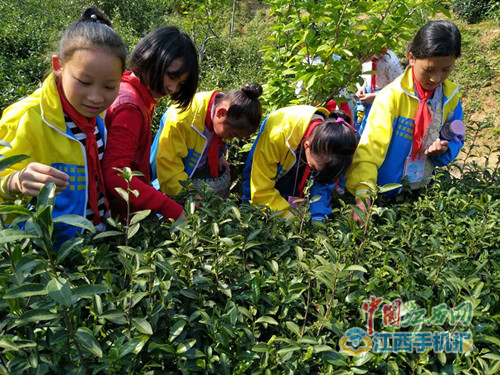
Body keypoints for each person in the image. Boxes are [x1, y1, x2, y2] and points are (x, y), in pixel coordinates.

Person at [0, 7, 126, 240]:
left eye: (109, 87)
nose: (96, 97)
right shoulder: (26, 117)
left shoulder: (94, 119)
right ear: (59, 66)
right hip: (45, 256)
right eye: (84, 82)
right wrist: (13, 182)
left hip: (93, 244)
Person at [346, 21, 464, 224]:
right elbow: (368, 150)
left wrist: (444, 151)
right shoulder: (392, 97)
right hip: (382, 194)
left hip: (421, 190)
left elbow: (458, 133)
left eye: (446, 70)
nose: (436, 78)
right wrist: (364, 197)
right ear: (411, 58)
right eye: (428, 70)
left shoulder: (451, 98)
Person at [102, 26, 199, 223]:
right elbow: (116, 176)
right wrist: (169, 208)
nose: (172, 88)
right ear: (151, 59)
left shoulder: (137, 94)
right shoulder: (130, 106)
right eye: (171, 76)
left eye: (180, 84)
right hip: (117, 222)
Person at [242, 106, 357, 222]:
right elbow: (261, 188)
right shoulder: (276, 135)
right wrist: (289, 218)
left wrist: (318, 219)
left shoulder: (332, 148)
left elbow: (323, 184)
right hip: (278, 136)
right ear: (306, 145)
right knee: (251, 189)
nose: (317, 171)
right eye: (314, 167)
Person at [151, 83, 263, 198]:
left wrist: (219, 156)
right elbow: (168, 167)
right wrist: (191, 195)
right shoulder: (181, 119)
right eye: (231, 134)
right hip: (168, 182)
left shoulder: (224, 107)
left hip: (193, 172)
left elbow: (209, 139)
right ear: (221, 113)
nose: (229, 139)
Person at [354, 49, 402, 136]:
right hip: (367, 98)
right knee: (360, 130)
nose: (360, 60)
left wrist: (374, 96)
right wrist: (362, 88)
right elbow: (365, 78)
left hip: (384, 102)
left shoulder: (390, 62)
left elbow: (398, 89)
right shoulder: (366, 59)